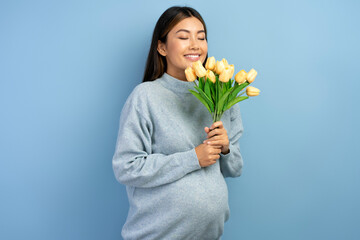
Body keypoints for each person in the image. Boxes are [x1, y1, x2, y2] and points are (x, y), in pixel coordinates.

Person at [112, 6, 244, 240]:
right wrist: (193, 158)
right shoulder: (145, 97)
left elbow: (235, 169)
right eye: (183, 37)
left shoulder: (222, 95)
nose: (195, 44)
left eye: (201, 37)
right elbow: (127, 167)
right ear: (161, 47)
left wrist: (226, 149)